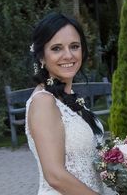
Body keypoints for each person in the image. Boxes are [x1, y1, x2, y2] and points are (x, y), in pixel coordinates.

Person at [26, 12, 105, 195]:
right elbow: (55, 176)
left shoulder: (69, 99)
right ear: (41, 56)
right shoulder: (44, 102)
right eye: (56, 48)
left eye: (74, 46)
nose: (68, 55)